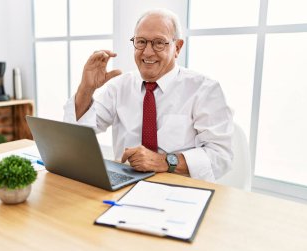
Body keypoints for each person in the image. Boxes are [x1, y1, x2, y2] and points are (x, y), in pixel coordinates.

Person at [64, 8, 233, 182]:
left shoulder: (205, 89)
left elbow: (220, 156)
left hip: (180, 190)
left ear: (178, 47)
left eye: (159, 42)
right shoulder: (120, 85)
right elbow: (75, 136)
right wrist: (86, 88)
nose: (147, 52)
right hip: (124, 185)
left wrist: (165, 162)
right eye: (141, 41)